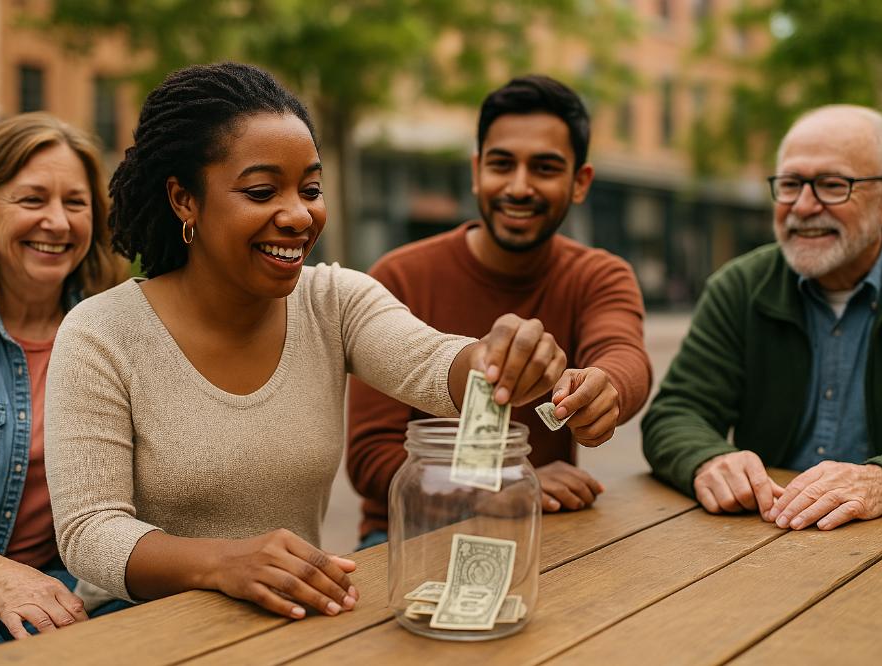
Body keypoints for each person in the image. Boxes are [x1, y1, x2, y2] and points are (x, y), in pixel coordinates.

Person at [43, 63, 566, 622]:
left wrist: (499, 356)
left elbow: (435, 365)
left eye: (311, 189)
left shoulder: (334, 301)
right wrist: (222, 563)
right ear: (184, 200)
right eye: (263, 191)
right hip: (136, 626)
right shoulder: (100, 332)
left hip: (291, 620)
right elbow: (89, 532)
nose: (298, 215)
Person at [346, 75, 652, 549]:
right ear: (476, 171)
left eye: (546, 168)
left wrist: (607, 388)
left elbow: (622, 352)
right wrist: (507, 486)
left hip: (539, 531)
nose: (519, 186)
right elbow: (370, 458)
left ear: (580, 183)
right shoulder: (399, 276)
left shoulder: (599, 275)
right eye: (501, 164)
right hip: (409, 533)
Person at [643, 104, 882, 531]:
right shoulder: (740, 285)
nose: (803, 206)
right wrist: (709, 459)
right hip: (765, 542)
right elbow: (676, 413)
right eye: (790, 184)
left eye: (832, 185)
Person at [0, 113, 127, 662]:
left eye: (76, 203)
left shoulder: (117, 334)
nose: (57, 222)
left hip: (81, 589)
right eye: (33, 200)